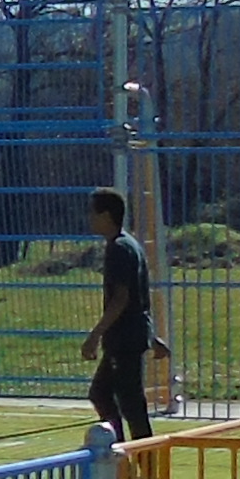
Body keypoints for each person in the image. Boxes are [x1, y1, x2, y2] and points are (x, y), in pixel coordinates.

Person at [83, 187, 156, 441]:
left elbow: (122, 298)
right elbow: (139, 298)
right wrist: (152, 336)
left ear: (106, 215)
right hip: (130, 336)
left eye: (92, 212)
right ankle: (124, 453)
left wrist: (94, 335)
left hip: (124, 340)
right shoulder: (128, 244)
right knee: (108, 395)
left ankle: (131, 458)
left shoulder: (119, 249)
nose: (89, 218)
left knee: (126, 402)